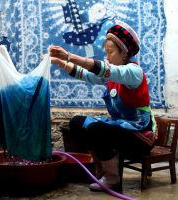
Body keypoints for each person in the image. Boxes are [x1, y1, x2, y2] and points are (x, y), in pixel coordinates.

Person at [49, 21, 156, 192]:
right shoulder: (112, 74)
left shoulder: (133, 73)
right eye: (106, 52)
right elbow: (86, 74)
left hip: (140, 134)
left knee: (97, 129)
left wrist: (68, 56)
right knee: (77, 122)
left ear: (125, 54)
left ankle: (113, 180)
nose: (107, 56)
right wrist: (59, 61)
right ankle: (100, 167)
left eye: (110, 52)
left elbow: (104, 69)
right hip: (122, 128)